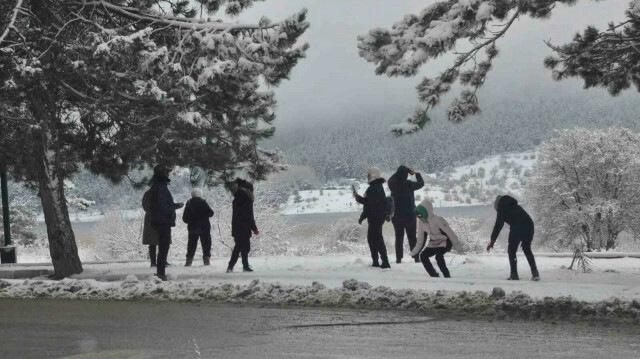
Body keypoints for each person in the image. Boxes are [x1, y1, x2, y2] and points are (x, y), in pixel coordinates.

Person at [487, 195, 540, 281]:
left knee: (511, 251)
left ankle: (514, 275)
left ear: (498, 205)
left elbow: (498, 226)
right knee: (527, 249)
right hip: (529, 225)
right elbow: (526, 220)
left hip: (517, 228)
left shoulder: (502, 209)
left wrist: (492, 241)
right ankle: (535, 273)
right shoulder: (516, 206)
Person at [148, 165, 183, 281]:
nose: (168, 174)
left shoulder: (157, 186)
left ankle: (160, 273)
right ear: (162, 174)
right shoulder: (160, 187)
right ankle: (160, 274)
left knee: (163, 247)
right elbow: (163, 206)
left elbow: (162, 205)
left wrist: (175, 206)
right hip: (162, 221)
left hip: (159, 220)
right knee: (164, 247)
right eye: (166, 172)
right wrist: (173, 209)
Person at [411, 199, 463, 278]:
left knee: (438, 256)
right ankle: (434, 275)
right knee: (423, 256)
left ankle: (447, 275)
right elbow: (420, 240)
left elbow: (450, 233)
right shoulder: (421, 223)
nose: (420, 218)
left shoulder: (438, 220)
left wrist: (457, 246)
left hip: (444, 241)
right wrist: (414, 252)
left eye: (421, 215)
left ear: (426, 213)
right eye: (418, 216)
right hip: (433, 243)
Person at [353, 167, 391, 269]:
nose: (367, 176)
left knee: (376, 239)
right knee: (372, 239)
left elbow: (369, 203)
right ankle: (376, 261)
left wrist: (358, 198)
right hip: (376, 216)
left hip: (376, 217)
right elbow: (369, 204)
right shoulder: (376, 187)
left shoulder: (375, 188)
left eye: (369, 175)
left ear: (373, 175)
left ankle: (385, 261)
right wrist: (363, 216)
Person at [388, 165, 424, 263]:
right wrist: (416, 174)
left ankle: (398, 258)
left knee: (399, 237)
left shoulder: (393, 184)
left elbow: (391, 179)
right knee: (412, 237)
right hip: (410, 216)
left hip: (397, 216)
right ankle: (416, 257)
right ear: (405, 174)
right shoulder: (409, 184)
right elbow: (421, 183)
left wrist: (401, 171)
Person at [227, 178, 259, 273]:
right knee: (244, 247)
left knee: (238, 247)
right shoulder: (247, 199)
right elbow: (249, 215)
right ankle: (243, 266)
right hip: (245, 227)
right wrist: (254, 228)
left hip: (236, 227)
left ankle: (232, 266)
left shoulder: (236, 199)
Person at [182, 188, 214, 267]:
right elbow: (211, 213)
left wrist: (191, 221)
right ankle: (206, 260)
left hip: (193, 228)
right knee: (206, 244)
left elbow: (184, 218)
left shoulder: (189, 203)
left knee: (191, 244)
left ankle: (189, 261)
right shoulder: (203, 203)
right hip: (204, 227)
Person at [141, 189, 159, 267]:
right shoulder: (162, 192)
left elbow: (145, 206)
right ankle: (158, 261)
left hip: (151, 220)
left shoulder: (147, 194)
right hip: (158, 219)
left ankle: (154, 262)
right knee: (158, 242)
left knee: (153, 243)